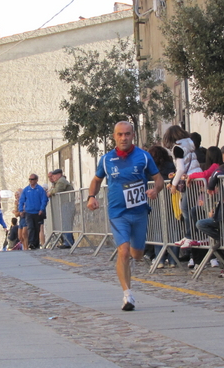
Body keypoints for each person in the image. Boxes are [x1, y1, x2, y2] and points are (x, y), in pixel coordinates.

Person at [87, 121, 164, 311]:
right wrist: (91, 197)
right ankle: (127, 295)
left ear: (133, 135)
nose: (124, 138)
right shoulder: (106, 159)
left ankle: (132, 261)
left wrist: (156, 190)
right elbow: (97, 180)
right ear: (114, 136)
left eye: (127, 134)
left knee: (136, 254)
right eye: (120, 134)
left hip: (139, 213)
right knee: (123, 251)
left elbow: (158, 178)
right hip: (117, 213)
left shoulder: (144, 157)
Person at [18, 173, 48, 249]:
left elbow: (44, 200)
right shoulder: (26, 190)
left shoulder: (40, 189)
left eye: (32, 179)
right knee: (30, 227)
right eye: (30, 179)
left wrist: (41, 209)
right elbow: (21, 200)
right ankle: (31, 243)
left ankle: (36, 244)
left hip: (37, 212)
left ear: (36, 180)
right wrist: (21, 210)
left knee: (37, 228)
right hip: (29, 212)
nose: (31, 181)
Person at [47, 168, 75, 248]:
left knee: (66, 224)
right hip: (64, 205)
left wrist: (50, 192)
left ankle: (68, 242)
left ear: (59, 175)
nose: (53, 177)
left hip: (67, 205)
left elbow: (58, 190)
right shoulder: (58, 182)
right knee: (64, 224)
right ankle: (67, 241)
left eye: (55, 175)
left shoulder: (61, 181)